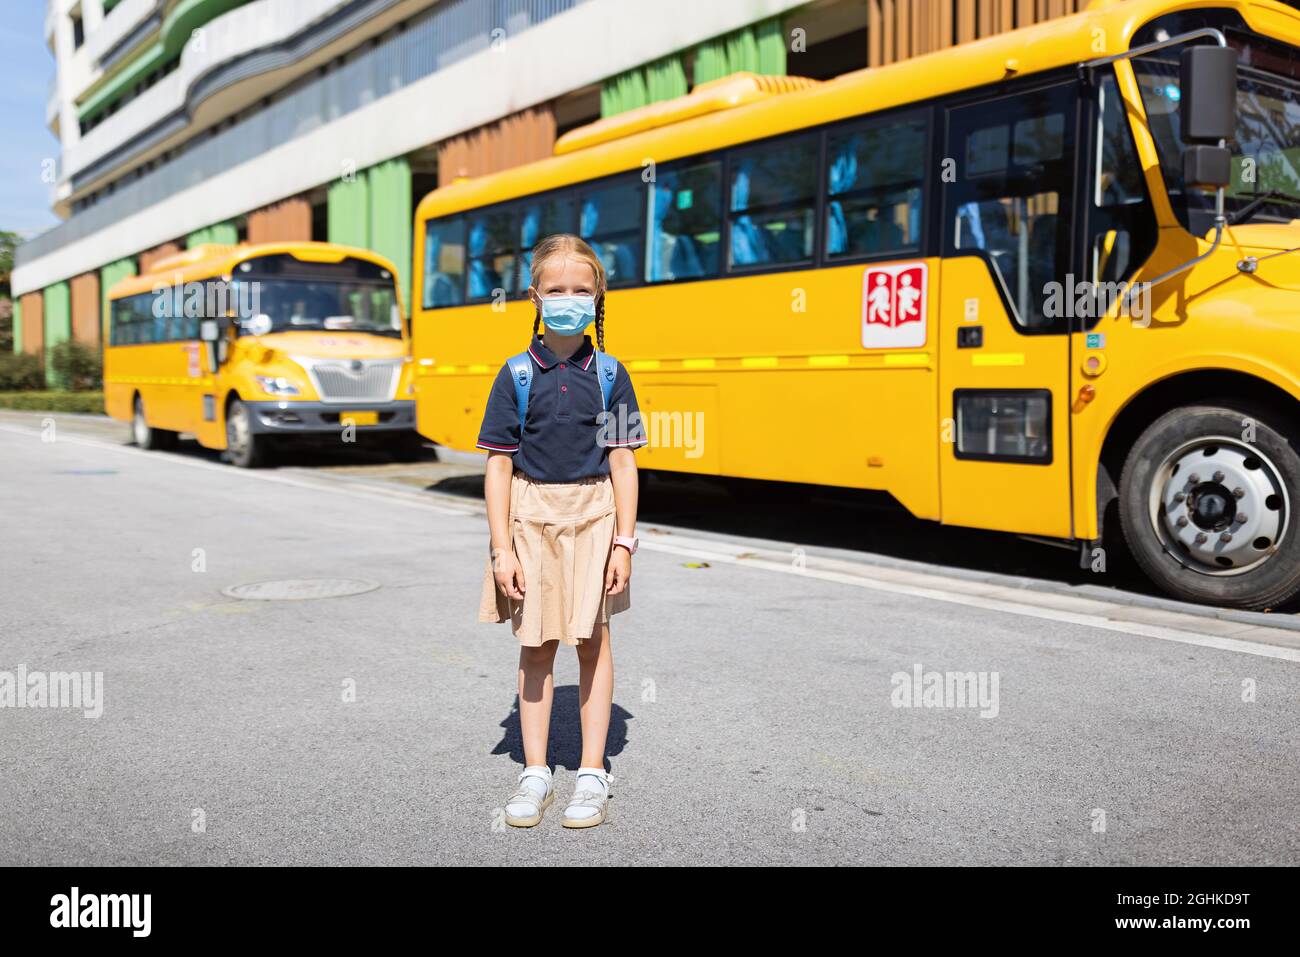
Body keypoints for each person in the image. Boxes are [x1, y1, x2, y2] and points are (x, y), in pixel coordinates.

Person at [475, 233, 648, 829]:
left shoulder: (611, 373)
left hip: (596, 518)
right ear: (535, 296)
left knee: (595, 643)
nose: (568, 299)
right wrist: (502, 551)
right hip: (531, 520)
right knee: (537, 646)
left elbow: (623, 460)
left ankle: (594, 773)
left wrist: (625, 540)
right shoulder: (516, 374)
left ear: (597, 295)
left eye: (581, 289)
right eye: (556, 290)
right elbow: (499, 465)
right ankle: (536, 770)